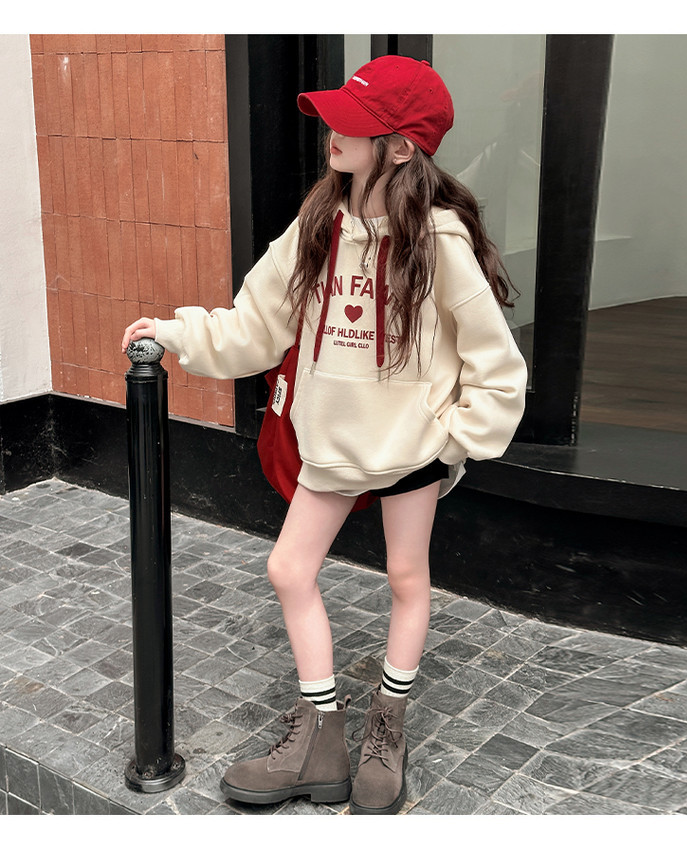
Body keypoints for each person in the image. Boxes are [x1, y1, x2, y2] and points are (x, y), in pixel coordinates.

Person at [121, 54, 527, 815]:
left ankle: (387, 727)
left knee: (406, 578)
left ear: (399, 147)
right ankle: (321, 735)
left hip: (411, 447)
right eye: (335, 116)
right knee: (289, 569)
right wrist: (175, 332)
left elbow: (496, 364)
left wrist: (450, 440)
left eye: (354, 122)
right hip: (330, 443)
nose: (332, 131)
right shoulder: (317, 225)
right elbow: (253, 325)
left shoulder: (438, 240)